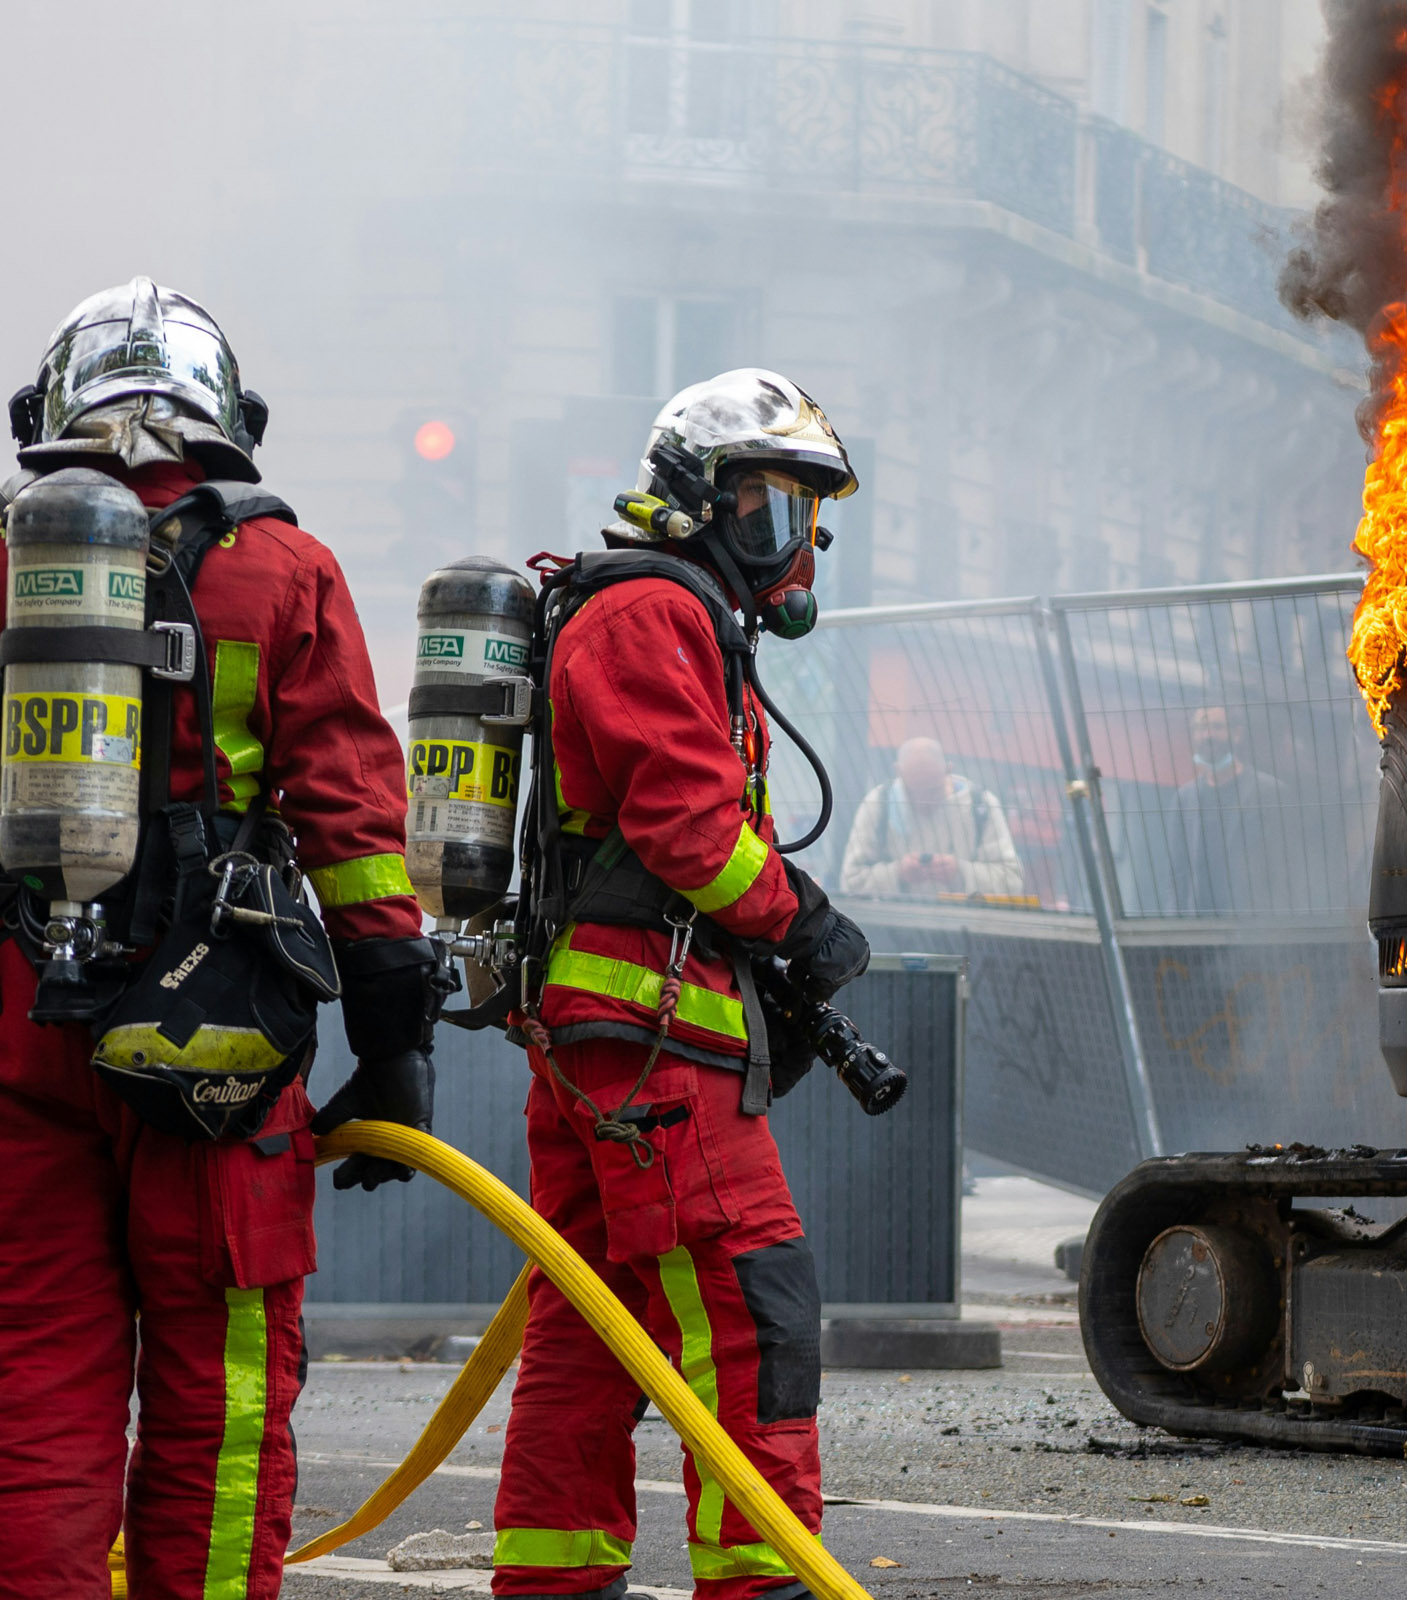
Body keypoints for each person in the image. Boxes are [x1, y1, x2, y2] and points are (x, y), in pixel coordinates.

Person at [0, 279, 435, 1600]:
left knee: (38, 1405)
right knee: (219, 1418)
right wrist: (393, 1031)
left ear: (50, 414)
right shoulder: (282, 570)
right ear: (224, 420)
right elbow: (355, 824)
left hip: (18, 1039)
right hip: (223, 1042)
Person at [494, 368, 869, 1600]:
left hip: (620, 1040)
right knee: (752, 1308)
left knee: (588, 1330)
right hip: (655, 1045)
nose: (791, 545)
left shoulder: (668, 612)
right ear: (698, 499)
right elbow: (690, 829)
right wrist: (803, 923)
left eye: (807, 517)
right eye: (768, 508)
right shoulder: (649, 610)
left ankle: (553, 1580)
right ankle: (765, 1583)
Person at [839, 736, 1022, 898]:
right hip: (894, 928)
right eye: (914, 792)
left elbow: (1013, 882)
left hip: (967, 928)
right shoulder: (878, 805)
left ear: (948, 770)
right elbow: (849, 882)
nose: (924, 802)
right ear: (898, 772)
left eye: (933, 791)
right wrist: (898, 874)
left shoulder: (981, 806)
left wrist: (959, 873)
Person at [1172, 704, 1287, 914]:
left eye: (1216, 727)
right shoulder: (1185, 798)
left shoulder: (1269, 792)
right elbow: (1179, 870)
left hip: (1252, 922)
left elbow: (1282, 864)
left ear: (1237, 734)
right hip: (1200, 922)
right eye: (1200, 728)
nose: (1207, 735)